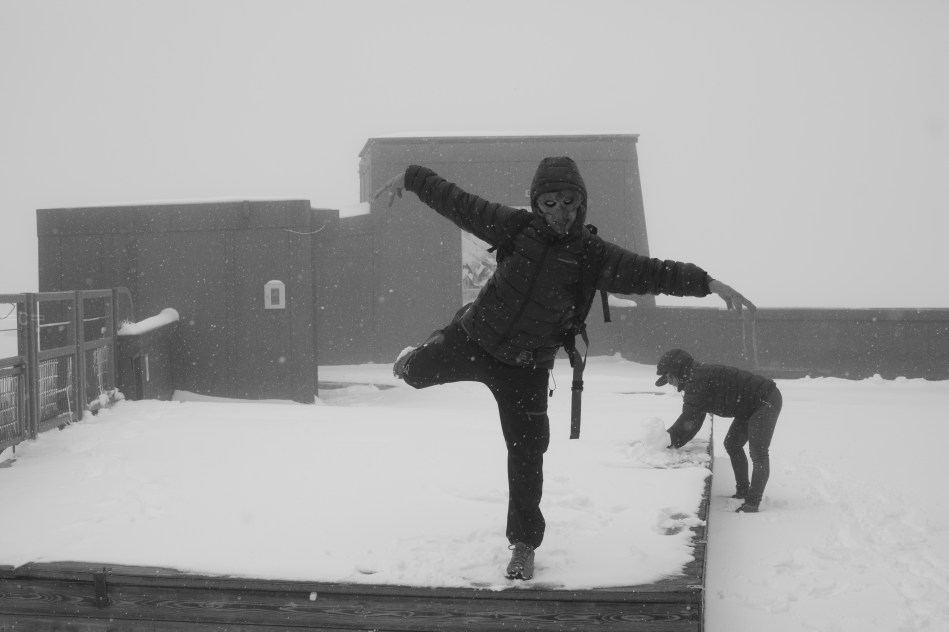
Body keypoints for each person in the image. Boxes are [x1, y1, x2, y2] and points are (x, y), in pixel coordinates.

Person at [373, 157, 755, 580]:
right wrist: (413, 177)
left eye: (569, 202)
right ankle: (420, 351)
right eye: (550, 203)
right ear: (537, 203)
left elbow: (650, 273)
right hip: (474, 339)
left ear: (581, 202)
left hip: (526, 368)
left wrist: (706, 283)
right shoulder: (514, 227)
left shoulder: (592, 255)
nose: (561, 212)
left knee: (527, 453)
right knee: (415, 374)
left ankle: (523, 544)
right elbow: (457, 202)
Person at [655, 348, 782, 513]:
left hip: (765, 399)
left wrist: (666, 441)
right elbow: (693, 421)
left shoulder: (696, 380)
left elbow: (689, 419)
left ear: (677, 372)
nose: (670, 383)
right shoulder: (695, 379)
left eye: (669, 378)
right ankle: (743, 490)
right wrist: (671, 442)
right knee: (732, 444)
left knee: (758, 452)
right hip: (749, 406)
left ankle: (752, 502)